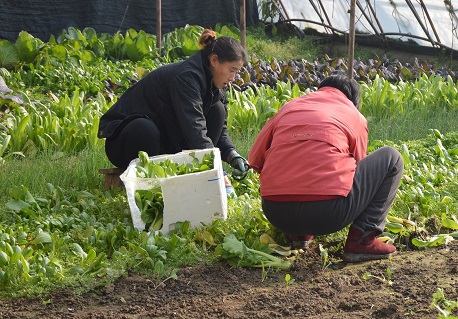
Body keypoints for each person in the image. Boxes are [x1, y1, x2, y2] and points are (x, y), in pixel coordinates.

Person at [248, 75, 404, 262]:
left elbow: (254, 160)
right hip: (329, 215)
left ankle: (299, 235)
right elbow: (358, 167)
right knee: (392, 157)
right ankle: (361, 240)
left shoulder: (288, 108)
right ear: (354, 101)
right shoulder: (353, 115)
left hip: (277, 213)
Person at [97, 29, 250, 194]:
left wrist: (232, 155)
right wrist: (219, 174)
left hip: (165, 138)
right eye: (232, 70)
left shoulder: (217, 84)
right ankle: (146, 185)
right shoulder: (187, 77)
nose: (233, 77)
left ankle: (196, 173)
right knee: (144, 129)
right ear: (214, 60)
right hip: (125, 142)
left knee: (217, 111)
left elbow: (220, 130)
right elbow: (195, 130)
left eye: (237, 72)